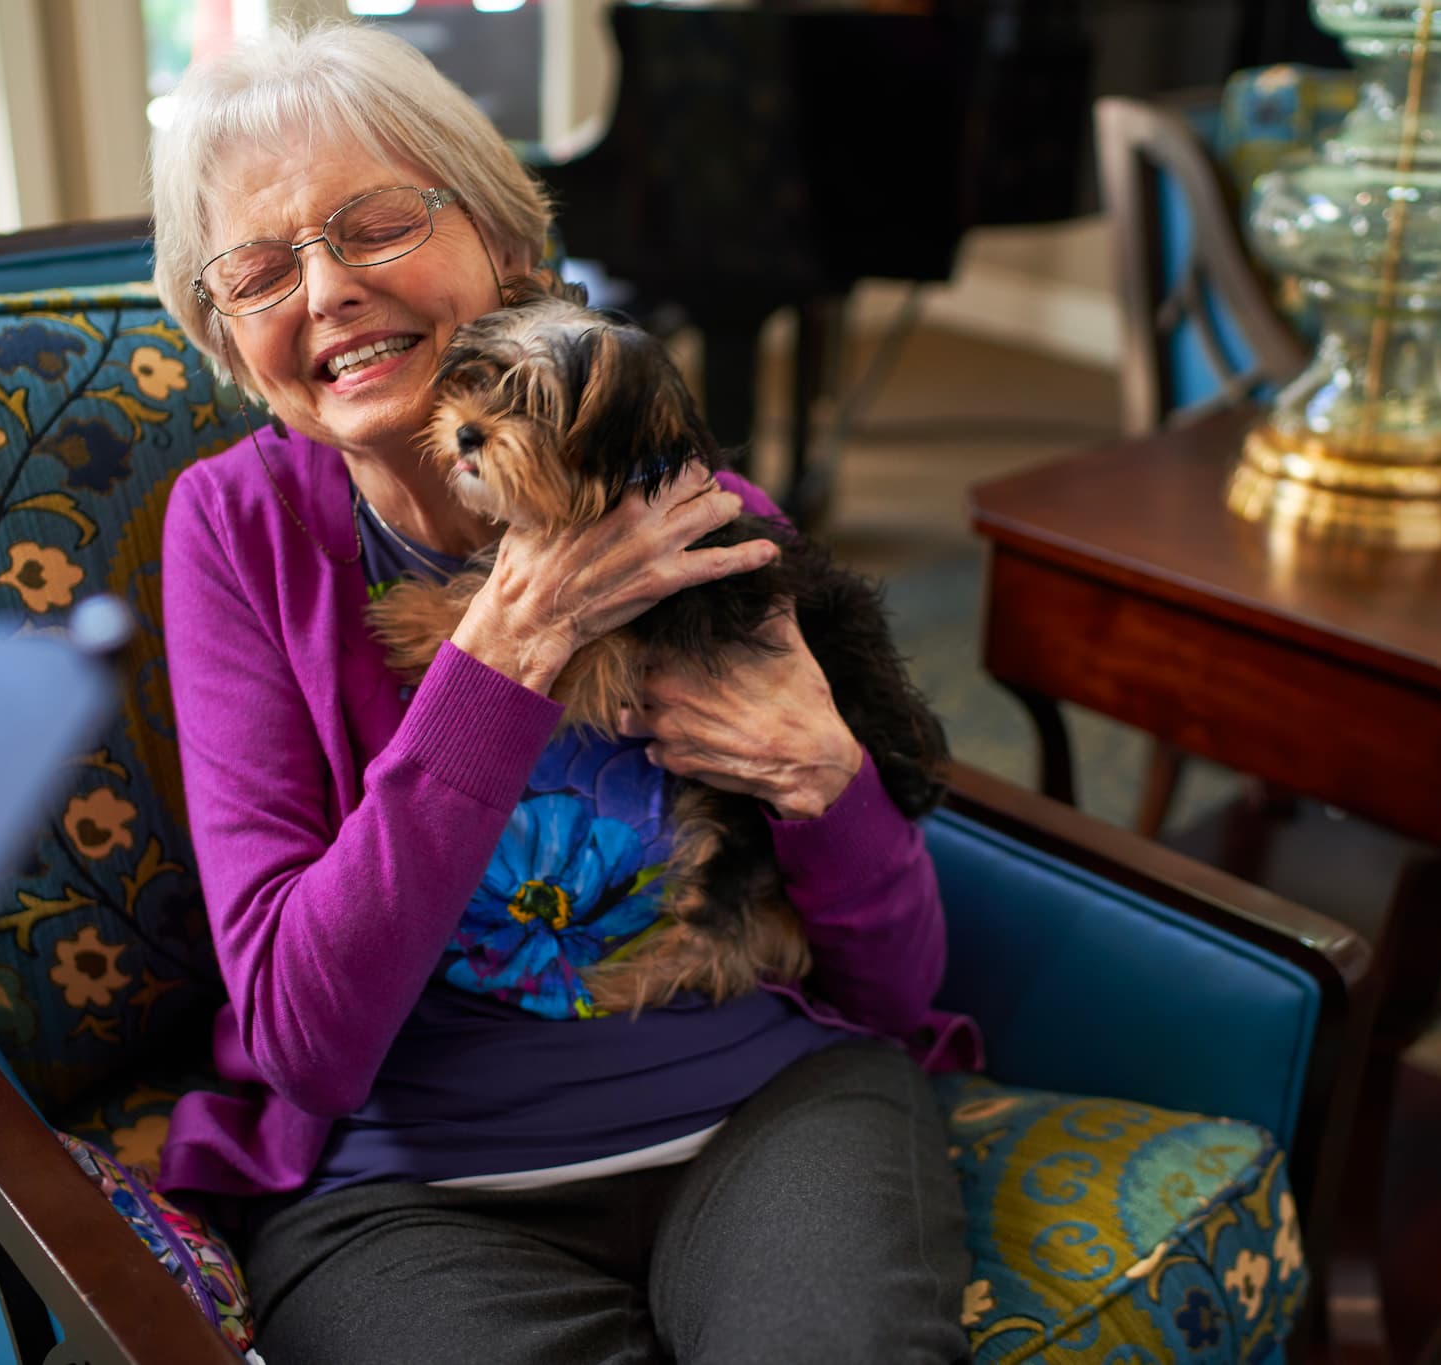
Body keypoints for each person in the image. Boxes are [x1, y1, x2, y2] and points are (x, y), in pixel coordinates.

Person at [149, 22, 979, 1364]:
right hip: (412, 1193)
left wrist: (835, 785)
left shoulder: (690, 513)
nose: (329, 291)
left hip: (771, 1107)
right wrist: (510, 652)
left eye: (375, 226)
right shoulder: (235, 532)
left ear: (505, 249)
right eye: (259, 269)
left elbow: (896, 983)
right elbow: (303, 1038)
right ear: (238, 348)